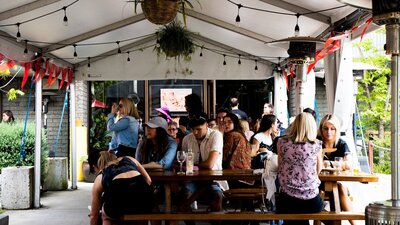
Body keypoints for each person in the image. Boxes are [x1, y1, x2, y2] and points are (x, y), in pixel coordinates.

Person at [276, 112, 323, 225]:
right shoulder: (316, 145)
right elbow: (318, 169)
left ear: (295, 124)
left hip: (287, 200)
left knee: (291, 217)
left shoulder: (282, 143)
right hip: (311, 201)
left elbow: (280, 166)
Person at [88, 150, 153, 225]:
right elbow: (148, 180)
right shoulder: (129, 159)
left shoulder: (101, 176)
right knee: (142, 212)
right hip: (144, 197)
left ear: (95, 166)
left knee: (105, 214)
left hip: (119, 199)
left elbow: (94, 215)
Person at [181, 115, 225, 213]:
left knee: (217, 197)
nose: (195, 132)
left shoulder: (216, 135)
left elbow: (210, 164)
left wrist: (193, 165)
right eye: (193, 129)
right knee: (185, 196)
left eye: (198, 129)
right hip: (192, 178)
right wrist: (191, 165)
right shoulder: (187, 139)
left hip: (213, 178)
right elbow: (183, 162)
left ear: (206, 126)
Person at [318, 114, 354, 225]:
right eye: (326, 128)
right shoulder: (316, 143)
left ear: (337, 130)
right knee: (339, 189)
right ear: (321, 129)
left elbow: (349, 164)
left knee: (339, 189)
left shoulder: (341, 144)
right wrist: (339, 164)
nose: (329, 132)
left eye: (332, 129)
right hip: (317, 183)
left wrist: (329, 163)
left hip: (337, 181)